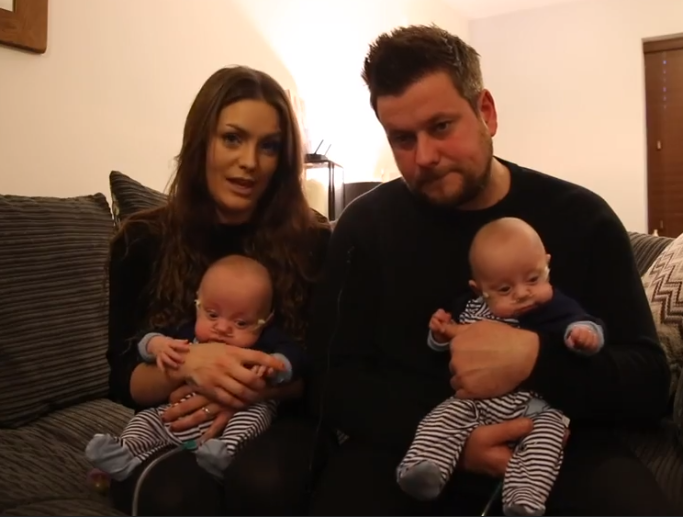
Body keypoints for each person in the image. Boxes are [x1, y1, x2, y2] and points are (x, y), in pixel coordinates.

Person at [306, 24, 674, 516]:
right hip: (409, 448)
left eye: (441, 127)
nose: (424, 157)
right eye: (402, 139)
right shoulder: (364, 228)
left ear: (486, 112)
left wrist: (536, 359)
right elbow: (331, 378)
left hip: (561, 444)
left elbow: (648, 383)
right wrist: (453, 441)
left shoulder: (582, 218)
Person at [106, 65, 332, 516]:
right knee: (176, 499)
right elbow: (122, 378)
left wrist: (246, 388)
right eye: (232, 138)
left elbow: (327, 378)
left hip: (276, 418)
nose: (250, 161)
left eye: (269, 146)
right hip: (171, 417)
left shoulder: (315, 243)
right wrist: (192, 365)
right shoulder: (141, 240)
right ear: (201, 142)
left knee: (263, 483)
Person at [397, 217, 604, 516]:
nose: (522, 294)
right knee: (441, 417)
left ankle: (525, 499)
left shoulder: (553, 307)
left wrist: (584, 335)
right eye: (505, 289)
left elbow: (582, 323)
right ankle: (425, 468)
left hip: (535, 408)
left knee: (548, 440)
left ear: (547, 266)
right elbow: (448, 341)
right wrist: (440, 334)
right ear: (479, 289)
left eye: (533, 279)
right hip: (475, 404)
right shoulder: (468, 308)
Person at [90, 255, 308, 480]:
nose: (222, 328)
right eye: (212, 315)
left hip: (235, 416)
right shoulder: (186, 334)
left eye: (241, 323)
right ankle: (124, 453)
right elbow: (145, 342)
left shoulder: (265, 341)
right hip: (177, 416)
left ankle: (225, 454)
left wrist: (276, 368)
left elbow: (294, 356)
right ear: (197, 305)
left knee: (256, 415)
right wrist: (157, 345)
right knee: (146, 420)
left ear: (266, 321)